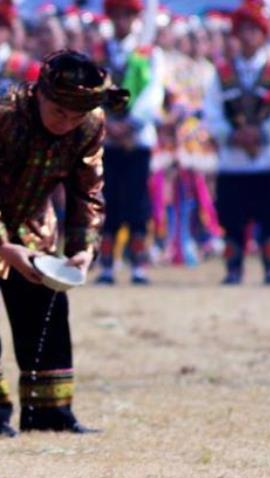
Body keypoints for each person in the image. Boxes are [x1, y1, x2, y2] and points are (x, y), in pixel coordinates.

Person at [0, 50, 127, 436]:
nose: (66, 123)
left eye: (75, 116)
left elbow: (88, 193)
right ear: (40, 94)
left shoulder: (89, 124)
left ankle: (49, 413)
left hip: (37, 226)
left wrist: (84, 248)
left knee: (46, 314)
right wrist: (2, 246)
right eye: (58, 112)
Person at [203, 0, 270, 285]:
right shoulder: (222, 72)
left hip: (269, 159)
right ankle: (233, 268)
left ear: (264, 33)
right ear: (236, 34)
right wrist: (231, 134)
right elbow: (211, 111)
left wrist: (263, 135)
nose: (249, 36)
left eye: (255, 30)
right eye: (244, 30)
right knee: (232, 219)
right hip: (233, 160)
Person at [93, 0, 164, 285]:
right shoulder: (99, 53)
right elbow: (90, 91)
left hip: (138, 140)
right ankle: (108, 265)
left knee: (137, 203)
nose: (122, 21)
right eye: (117, 15)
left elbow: (153, 91)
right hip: (107, 140)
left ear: (135, 18)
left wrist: (132, 123)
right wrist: (106, 123)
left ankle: (138, 265)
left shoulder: (148, 54)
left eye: (127, 15)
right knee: (108, 201)